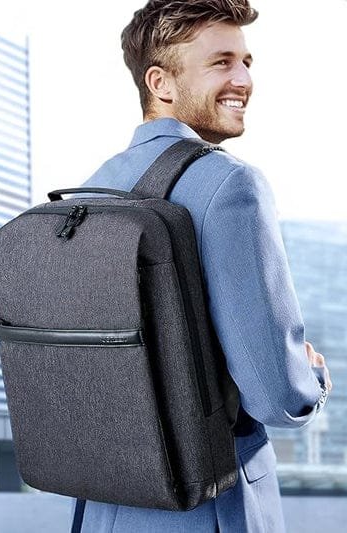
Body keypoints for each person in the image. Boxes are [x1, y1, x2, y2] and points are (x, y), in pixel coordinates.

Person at [71, 1, 332, 531]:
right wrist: (313, 378)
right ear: (160, 82)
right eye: (221, 62)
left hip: (103, 507)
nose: (244, 80)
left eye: (246, 62)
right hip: (210, 503)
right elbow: (276, 396)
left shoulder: (88, 191)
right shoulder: (230, 185)